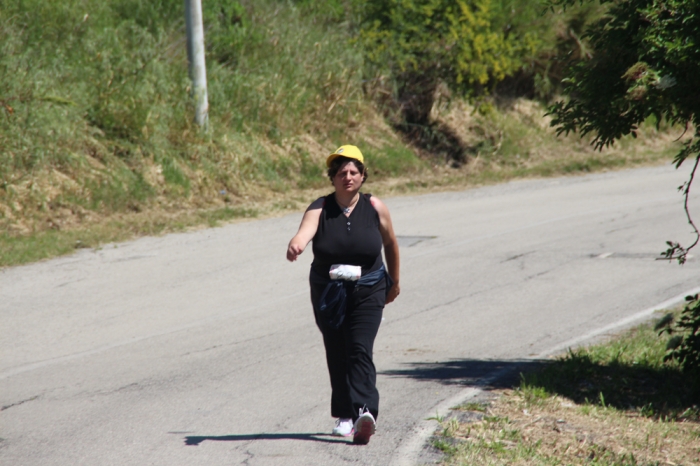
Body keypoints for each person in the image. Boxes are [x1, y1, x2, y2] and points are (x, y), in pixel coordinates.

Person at [286, 145, 400, 445]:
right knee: (337, 350)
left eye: (353, 172)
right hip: (329, 291)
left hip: (369, 288)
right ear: (332, 178)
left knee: (359, 348)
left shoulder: (375, 207)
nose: (347, 177)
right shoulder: (320, 207)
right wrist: (296, 244)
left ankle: (365, 413)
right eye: (340, 173)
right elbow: (305, 232)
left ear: (363, 176)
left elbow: (390, 244)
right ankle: (345, 417)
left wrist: (395, 281)